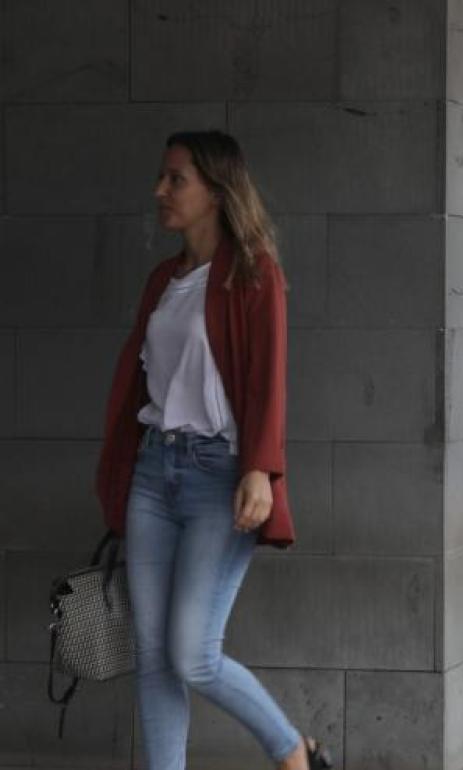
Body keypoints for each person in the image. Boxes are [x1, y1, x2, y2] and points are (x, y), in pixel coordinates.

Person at [96, 131, 330, 770]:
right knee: (152, 655)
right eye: (163, 178)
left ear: (216, 190)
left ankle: (290, 752)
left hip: (217, 478)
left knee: (191, 651)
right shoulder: (163, 280)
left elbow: (267, 380)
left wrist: (259, 469)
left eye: (176, 179)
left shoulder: (254, 272)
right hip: (154, 472)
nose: (160, 191)